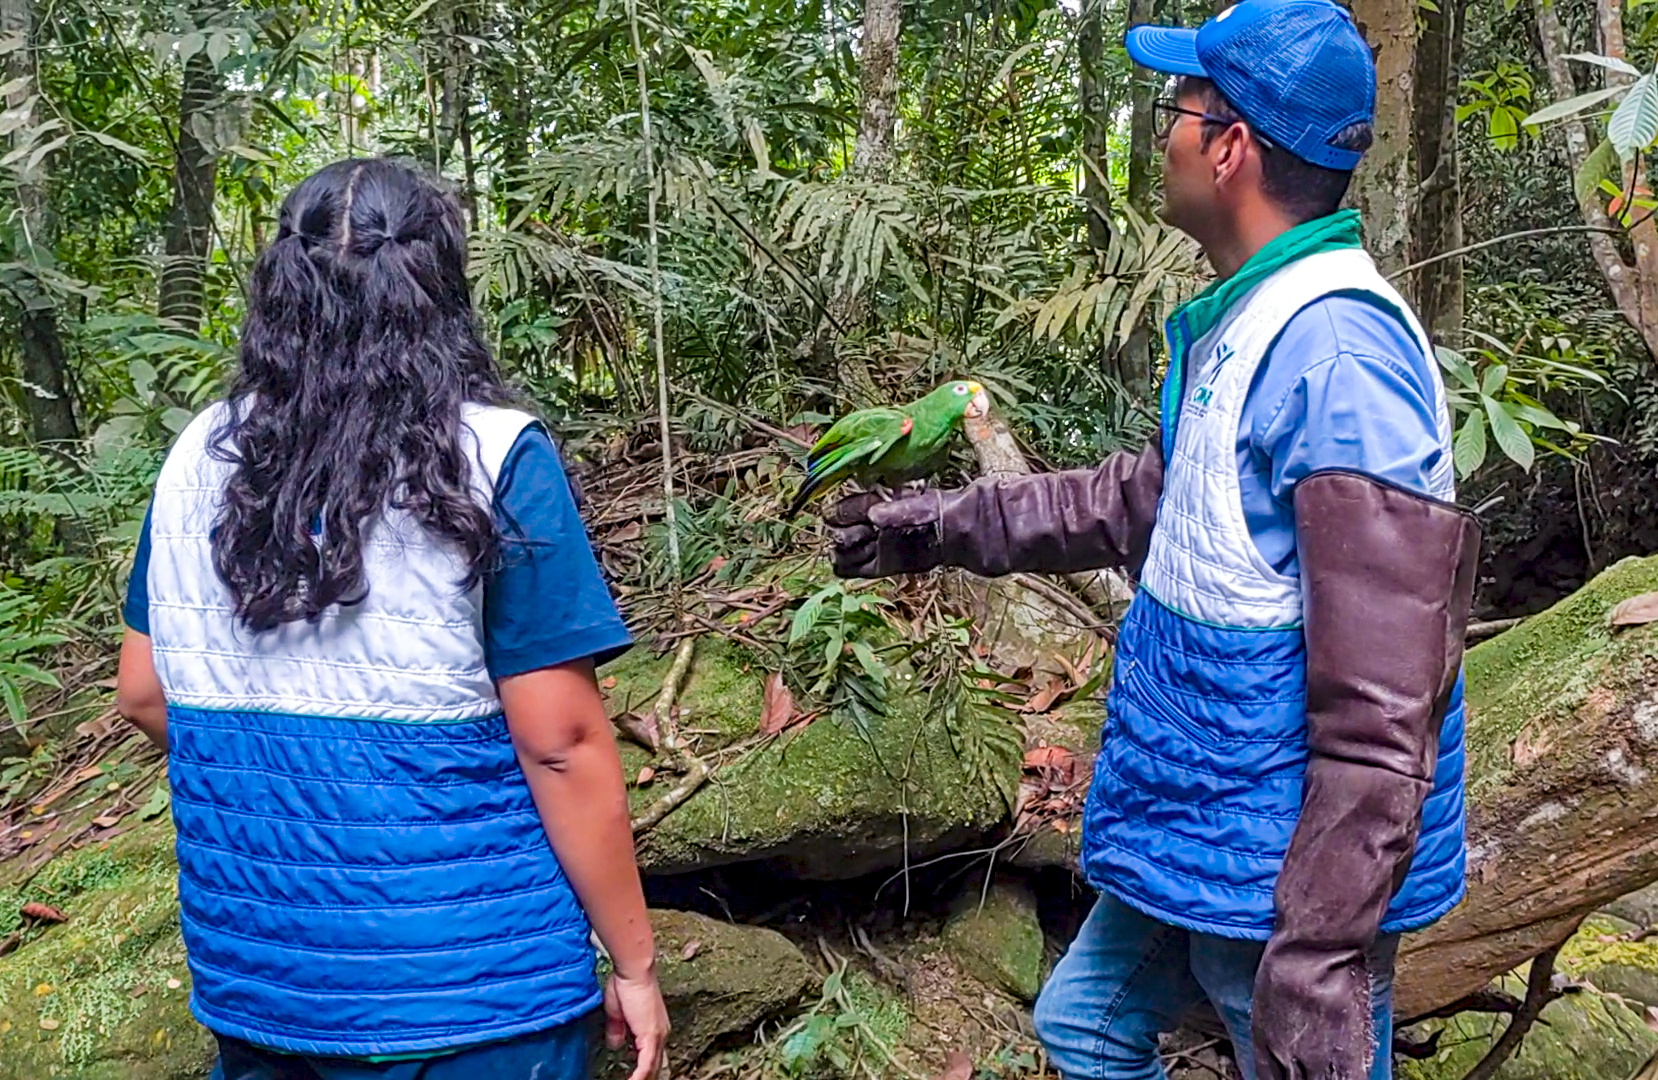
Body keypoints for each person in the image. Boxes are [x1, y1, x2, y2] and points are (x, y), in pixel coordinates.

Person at [821, 1, 1482, 1077]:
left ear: (1228, 149)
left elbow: (1386, 699)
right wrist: (934, 527)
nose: (1161, 129)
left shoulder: (1338, 358)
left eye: (1176, 107)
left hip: (1280, 865)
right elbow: (1158, 498)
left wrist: (1319, 952)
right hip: (1211, 821)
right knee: (1084, 1024)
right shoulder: (1258, 318)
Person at [114, 157, 669, 1080]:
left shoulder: (196, 457)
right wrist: (636, 965)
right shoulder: (495, 457)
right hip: (476, 989)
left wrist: (292, 775)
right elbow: (561, 745)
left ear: (280, 291)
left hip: (263, 984)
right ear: (437, 287)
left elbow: (142, 691)